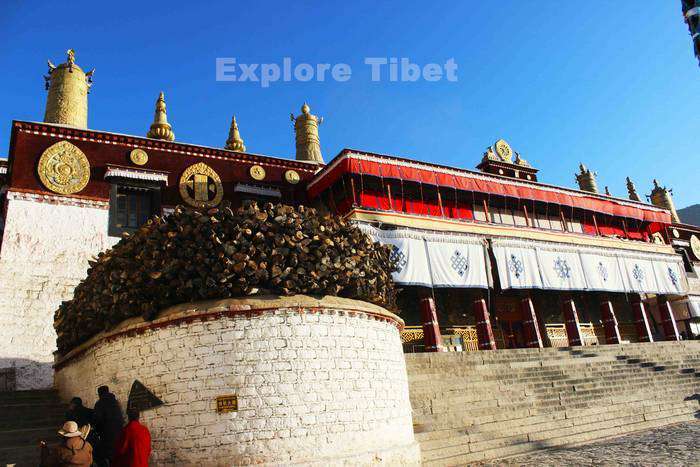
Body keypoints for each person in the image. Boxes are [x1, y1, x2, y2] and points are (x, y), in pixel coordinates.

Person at [93, 386, 125, 466]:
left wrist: (97, 431)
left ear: (100, 393)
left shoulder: (99, 404)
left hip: (107, 435)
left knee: (104, 457)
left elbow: (97, 420)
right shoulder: (115, 402)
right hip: (120, 434)